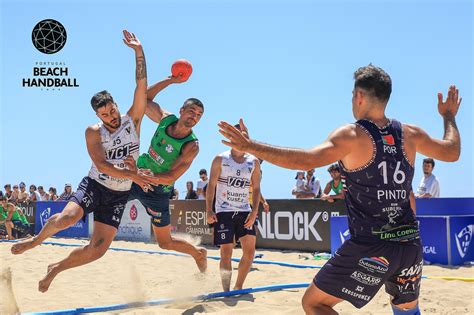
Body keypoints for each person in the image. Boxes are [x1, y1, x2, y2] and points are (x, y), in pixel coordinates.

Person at [218, 65, 461, 315]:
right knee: (406, 311)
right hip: (409, 244)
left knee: (314, 303)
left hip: (370, 245)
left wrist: (251, 146)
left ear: (359, 96)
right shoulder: (411, 134)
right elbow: (452, 151)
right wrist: (449, 117)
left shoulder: (352, 134)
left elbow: (306, 161)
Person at [10, 30, 154, 293]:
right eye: (105, 114)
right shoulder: (93, 131)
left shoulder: (132, 121)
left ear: (116, 105)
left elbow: (141, 86)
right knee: (67, 218)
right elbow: (102, 166)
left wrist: (138, 51)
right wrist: (134, 176)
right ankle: (35, 241)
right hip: (96, 185)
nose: (111, 116)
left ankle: (55, 269)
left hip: (118, 195)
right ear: (97, 115)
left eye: (112, 110)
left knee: (97, 250)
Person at [127, 71, 207, 272]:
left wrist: (147, 177)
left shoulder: (191, 145)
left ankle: (198, 254)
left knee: (164, 243)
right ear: (181, 110)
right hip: (137, 175)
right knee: (107, 197)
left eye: (198, 115)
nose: (194, 117)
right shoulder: (165, 119)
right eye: (191, 111)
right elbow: (144, 98)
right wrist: (171, 80)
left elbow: (172, 177)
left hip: (158, 190)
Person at [206, 123, 262, 292]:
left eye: (245, 135)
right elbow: (211, 186)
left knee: (250, 252)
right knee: (226, 253)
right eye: (238, 134)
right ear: (231, 137)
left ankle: (238, 287)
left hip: (245, 210)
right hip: (224, 211)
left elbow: (257, 188)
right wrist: (209, 210)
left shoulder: (254, 161)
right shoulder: (220, 159)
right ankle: (226, 291)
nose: (242, 138)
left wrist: (254, 211)